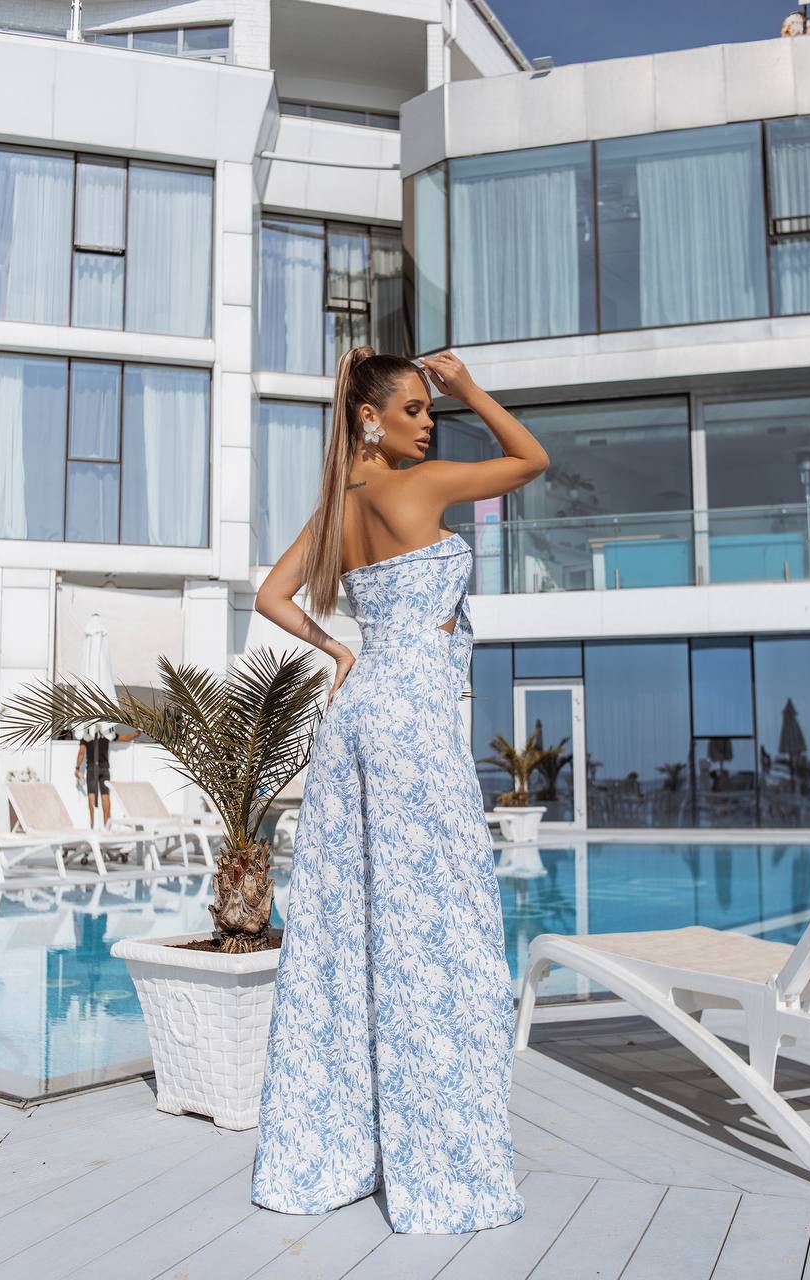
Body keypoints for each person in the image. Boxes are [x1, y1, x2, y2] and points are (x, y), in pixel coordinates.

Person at [249, 347, 549, 1234]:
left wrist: (339, 650)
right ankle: (441, 1163)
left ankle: (338, 1148)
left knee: (349, 933)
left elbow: (269, 596)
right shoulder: (419, 491)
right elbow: (531, 461)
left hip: (355, 712)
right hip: (412, 723)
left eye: (433, 408)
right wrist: (473, 390)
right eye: (415, 409)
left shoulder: (336, 510)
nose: (429, 421)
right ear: (369, 419)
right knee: (439, 935)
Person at [74, 726, 142, 828]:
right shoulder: (107, 734)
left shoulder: (87, 734)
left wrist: (77, 768)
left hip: (92, 769)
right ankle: (107, 826)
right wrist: (136, 734)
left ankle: (93, 825)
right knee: (105, 796)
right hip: (105, 769)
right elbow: (124, 738)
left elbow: (81, 752)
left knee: (91, 795)